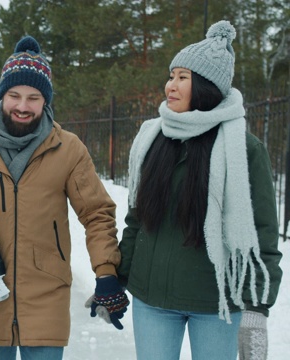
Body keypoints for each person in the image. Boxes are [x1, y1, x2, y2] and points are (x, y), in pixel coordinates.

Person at [0, 35, 128, 360]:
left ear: (45, 101)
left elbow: (96, 213)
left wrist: (106, 274)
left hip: (47, 292)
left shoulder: (68, 149)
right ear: (2, 95)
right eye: (14, 95)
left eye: (33, 97)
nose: (23, 106)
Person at [118, 20, 283, 360]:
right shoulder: (153, 139)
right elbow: (137, 218)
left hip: (216, 304)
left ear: (206, 85)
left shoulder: (243, 149)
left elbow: (263, 231)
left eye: (183, 77)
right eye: (171, 75)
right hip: (152, 300)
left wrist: (257, 308)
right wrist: (116, 279)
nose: (170, 86)